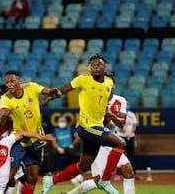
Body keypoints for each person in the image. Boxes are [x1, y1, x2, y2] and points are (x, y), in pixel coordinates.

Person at [41, 54, 126, 194]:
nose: (96, 66)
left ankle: (52, 180)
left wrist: (105, 111)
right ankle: (105, 180)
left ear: (104, 67)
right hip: (86, 127)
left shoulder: (109, 82)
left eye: (99, 64)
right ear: (90, 68)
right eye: (93, 64)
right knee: (120, 144)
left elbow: (107, 97)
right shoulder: (82, 80)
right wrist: (45, 101)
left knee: (83, 166)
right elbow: (61, 90)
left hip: (97, 127)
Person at [0, 70, 62, 194]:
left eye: (12, 81)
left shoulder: (31, 87)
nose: (9, 84)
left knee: (33, 177)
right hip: (18, 140)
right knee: (8, 177)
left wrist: (54, 92)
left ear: (19, 81)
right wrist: (2, 114)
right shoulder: (6, 98)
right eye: (7, 82)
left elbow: (49, 92)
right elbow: (0, 118)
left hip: (35, 141)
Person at [64, 89, 136, 194]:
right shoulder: (93, 99)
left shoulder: (120, 100)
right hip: (98, 143)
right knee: (97, 181)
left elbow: (121, 124)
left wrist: (111, 115)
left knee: (128, 172)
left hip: (114, 143)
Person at [115, 99, 141, 180]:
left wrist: (130, 133)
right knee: (120, 155)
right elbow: (119, 126)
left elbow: (134, 124)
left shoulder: (132, 115)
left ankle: (134, 173)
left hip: (131, 136)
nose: (128, 105)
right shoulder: (118, 114)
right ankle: (119, 174)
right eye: (126, 104)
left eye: (128, 104)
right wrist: (125, 133)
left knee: (131, 155)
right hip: (121, 136)